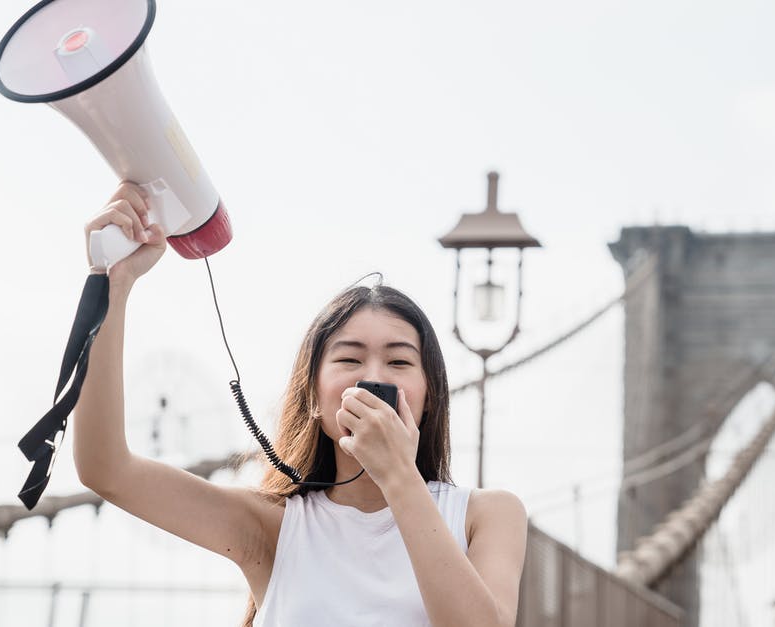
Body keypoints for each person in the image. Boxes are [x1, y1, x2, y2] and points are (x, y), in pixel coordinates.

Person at [73, 183, 529, 626]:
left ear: (430, 397)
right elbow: (106, 469)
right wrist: (112, 285)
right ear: (313, 395)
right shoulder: (274, 525)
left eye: (398, 360)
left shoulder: (486, 515)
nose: (373, 378)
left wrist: (399, 476)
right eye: (349, 358)